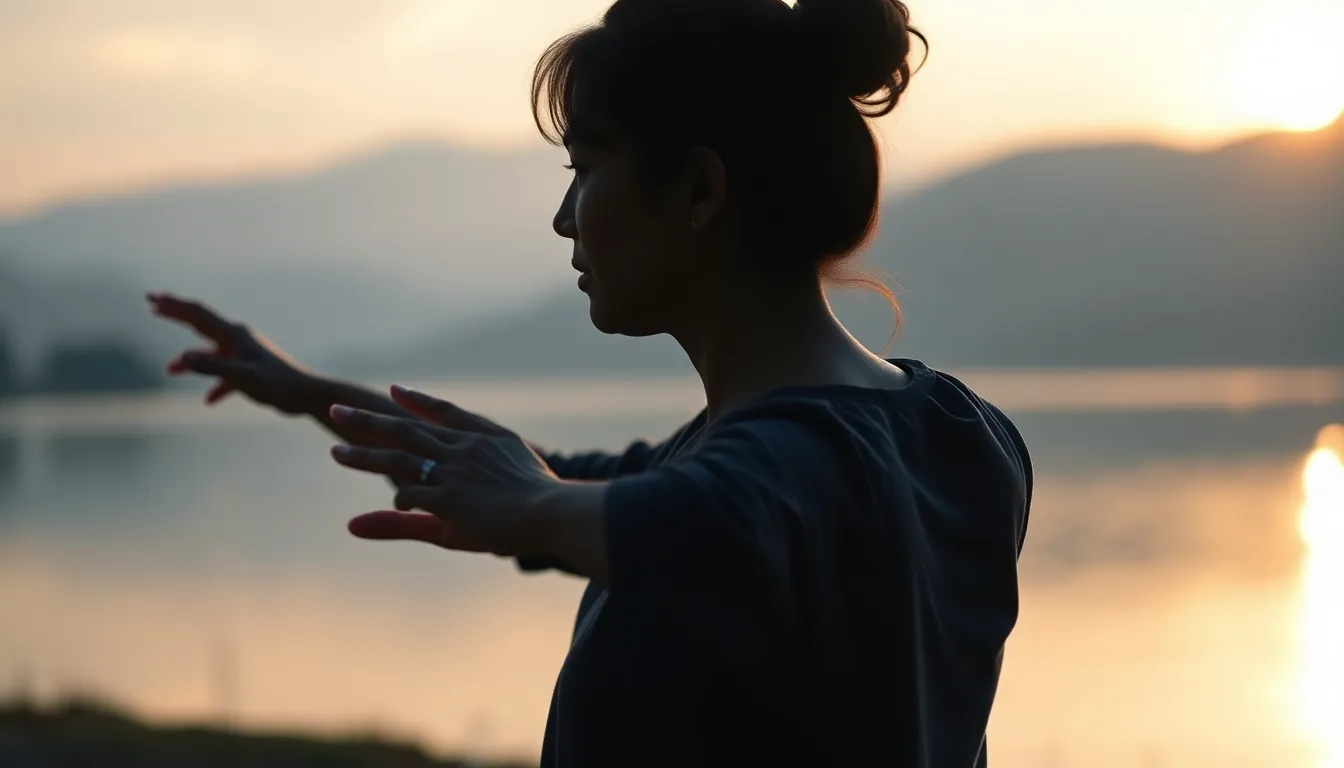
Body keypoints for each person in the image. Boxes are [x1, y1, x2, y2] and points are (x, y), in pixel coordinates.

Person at [148, 0, 1032, 764]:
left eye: (584, 167)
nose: (565, 217)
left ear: (697, 189)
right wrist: (303, 389)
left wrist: (531, 508)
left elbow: (711, 522)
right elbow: (593, 485)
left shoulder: (768, 481)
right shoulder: (955, 432)